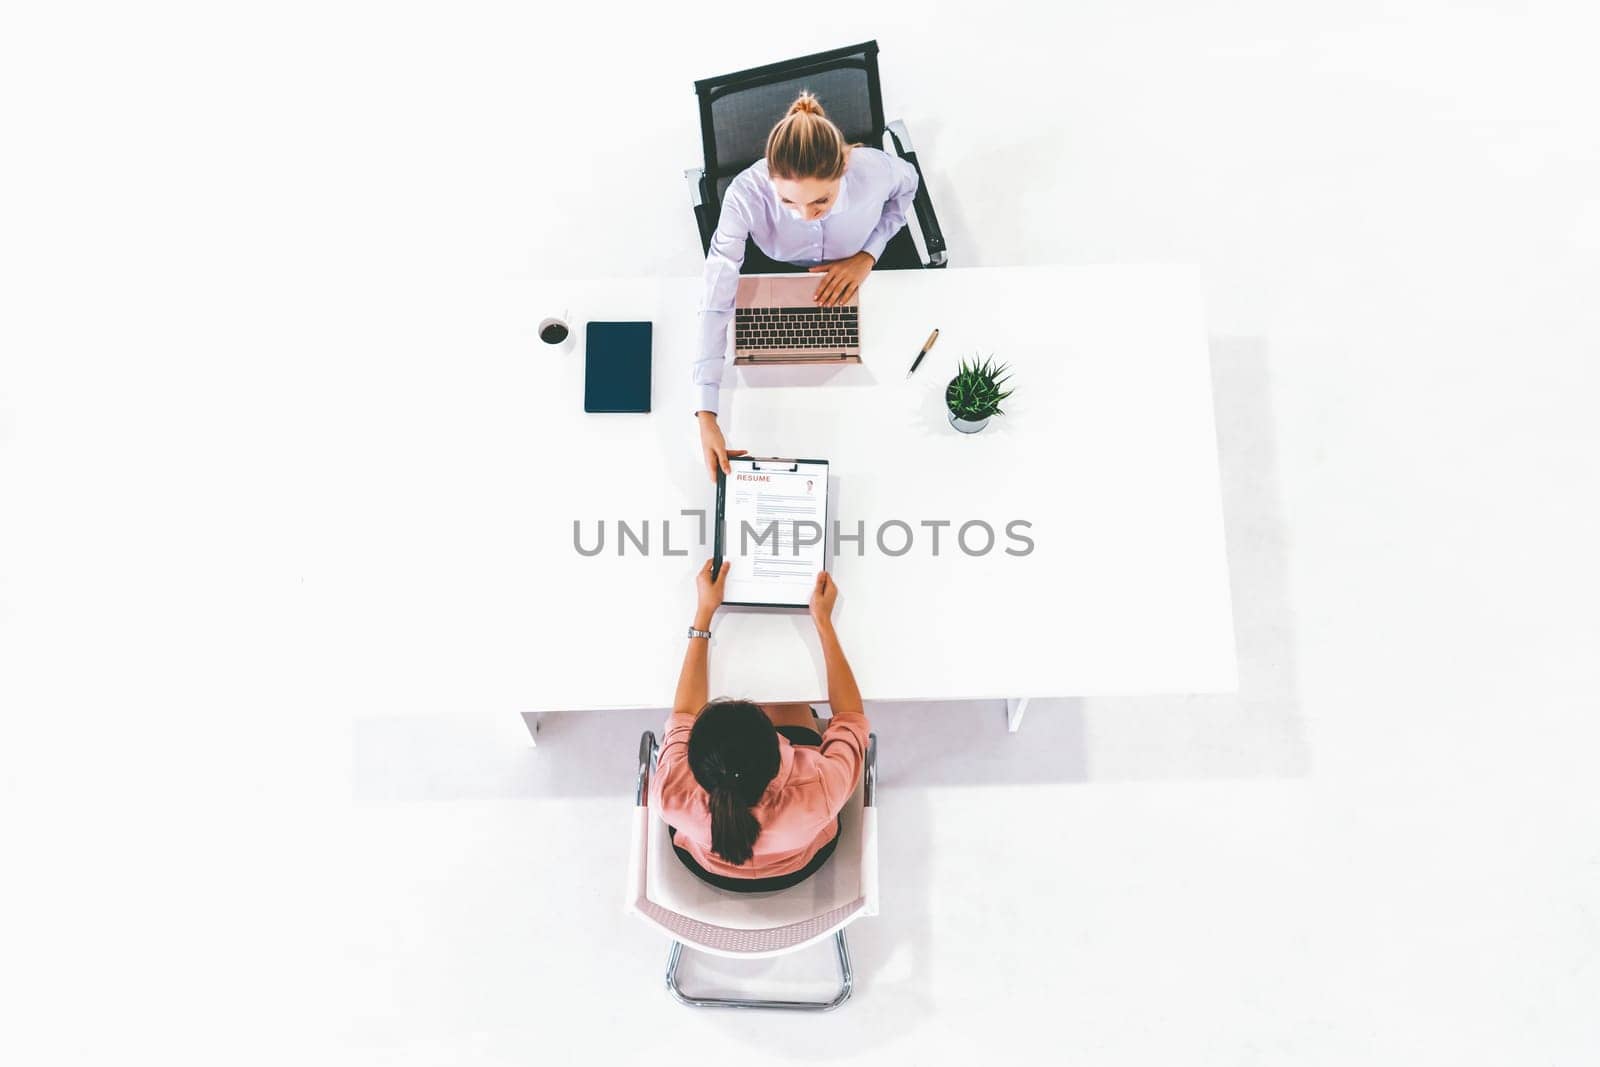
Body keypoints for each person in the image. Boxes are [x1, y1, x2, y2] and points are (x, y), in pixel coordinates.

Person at [693, 90, 922, 482]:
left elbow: (910, 186)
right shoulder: (745, 197)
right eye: (788, 201)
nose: (803, 216)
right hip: (776, 271)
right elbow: (715, 299)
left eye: (820, 202)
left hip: (853, 275)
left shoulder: (872, 170)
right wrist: (706, 412)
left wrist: (868, 255)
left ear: (844, 166)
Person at [651, 559, 870, 891]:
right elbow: (850, 720)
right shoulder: (819, 788)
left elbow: (683, 715)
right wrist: (823, 621)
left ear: (694, 761)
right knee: (789, 698)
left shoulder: (672, 792)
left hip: (709, 867)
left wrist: (704, 613)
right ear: (780, 747)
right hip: (798, 864)